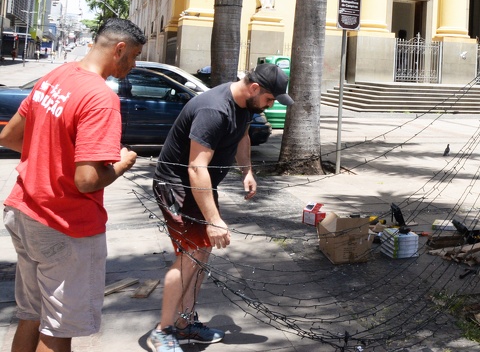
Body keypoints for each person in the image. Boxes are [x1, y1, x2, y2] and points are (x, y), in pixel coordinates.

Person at [0, 18, 146, 352]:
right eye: (135, 56)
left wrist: (50, 158)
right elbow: (86, 181)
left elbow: (9, 136)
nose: (134, 65)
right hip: (64, 225)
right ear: (119, 49)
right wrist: (122, 164)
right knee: (57, 329)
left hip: (24, 211)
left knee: (31, 315)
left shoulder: (56, 76)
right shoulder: (100, 97)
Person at [148, 63, 293, 352]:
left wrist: (246, 171)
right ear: (254, 88)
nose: (270, 105)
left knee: (201, 252)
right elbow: (195, 167)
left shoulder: (246, 105)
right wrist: (214, 220)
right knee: (190, 254)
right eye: (269, 99)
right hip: (177, 186)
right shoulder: (214, 110)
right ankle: (162, 331)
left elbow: (242, 136)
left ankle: (184, 322)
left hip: (200, 185)